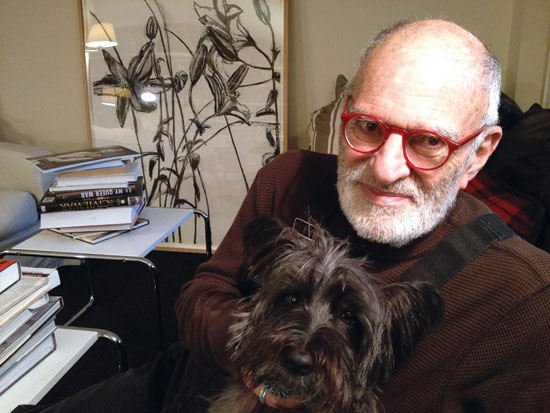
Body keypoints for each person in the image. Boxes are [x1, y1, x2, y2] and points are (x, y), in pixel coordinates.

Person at [15, 18, 549, 413]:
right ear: (345, 115)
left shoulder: (527, 302)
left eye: (428, 141)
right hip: (189, 377)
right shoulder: (290, 178)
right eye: (367, 127)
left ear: (479, 151)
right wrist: (259, 349)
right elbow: (200, 298)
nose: (386, 168)